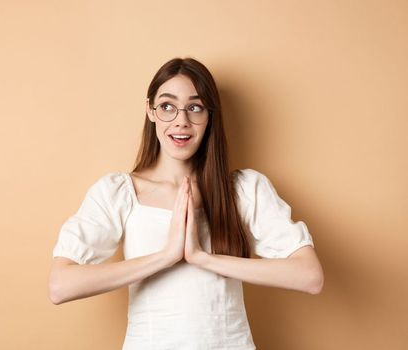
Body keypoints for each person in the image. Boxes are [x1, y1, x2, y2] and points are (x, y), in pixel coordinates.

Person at [48, 57, 324, 349]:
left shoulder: (243, 190)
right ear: (150, 111)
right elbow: (60, 285)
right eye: (167, 106)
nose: (181, 120)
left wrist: (203, 258)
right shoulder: (119, 192)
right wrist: (166, 256)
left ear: (210, 116)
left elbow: (309, 277)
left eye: (195, 107)